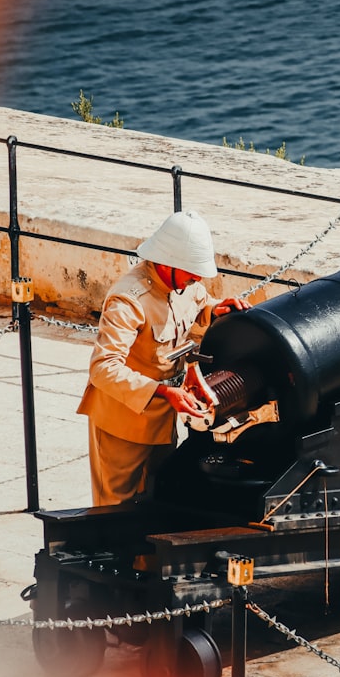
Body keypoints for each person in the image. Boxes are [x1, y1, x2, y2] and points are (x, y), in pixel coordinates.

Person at [77, 210, 249, 506]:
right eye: (191, 271)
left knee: (159, 501)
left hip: (163, 417)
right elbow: (103, 368)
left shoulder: (186, 285)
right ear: (167, 262)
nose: (197, 278)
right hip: (123, 424)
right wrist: (162, 391)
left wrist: (216, 309)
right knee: (115, 510)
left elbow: (198, 303)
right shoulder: (128, 300)